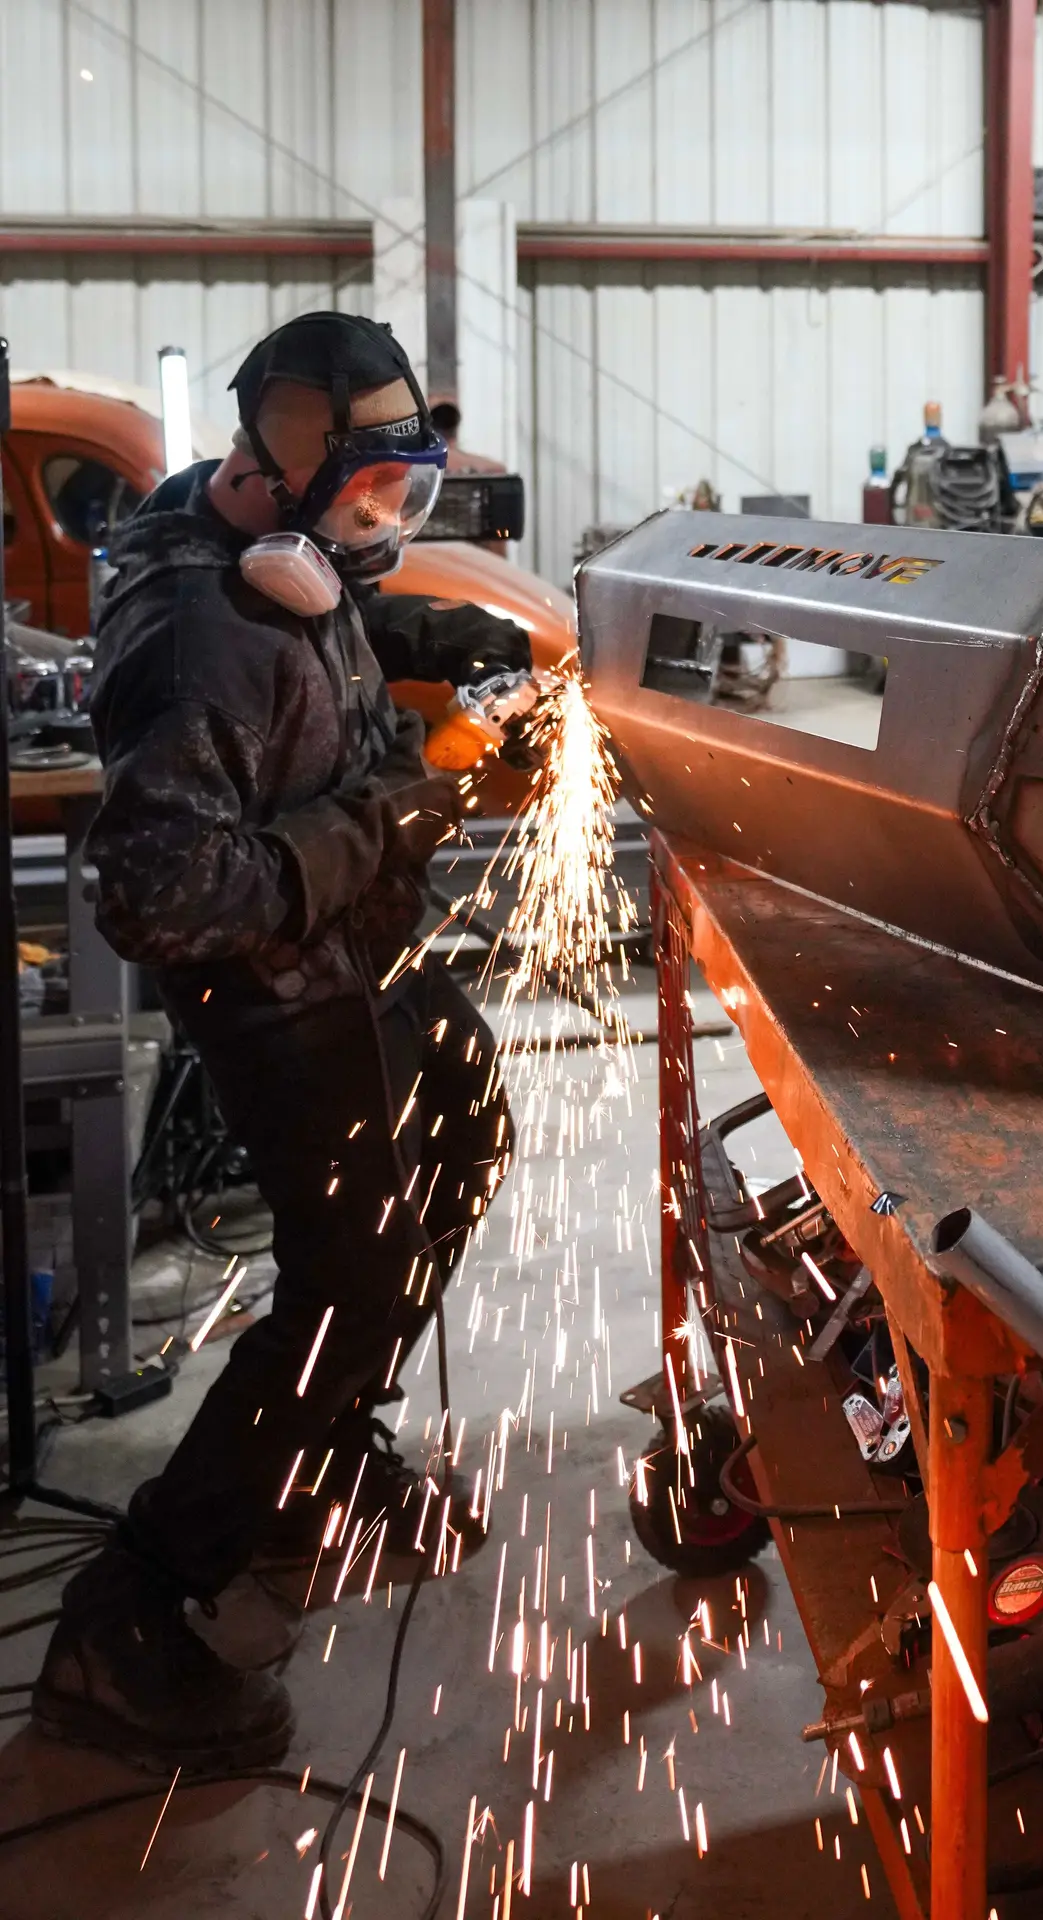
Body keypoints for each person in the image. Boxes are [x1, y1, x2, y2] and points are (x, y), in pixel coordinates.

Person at [32, 313, 530, 1771]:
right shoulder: (194, 633)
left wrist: (430, 635)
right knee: (349, 1276)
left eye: (403, 495)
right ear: (282, 467)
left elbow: (319, 623)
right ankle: (134, 1618)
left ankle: (318, 1455)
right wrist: (391, 815)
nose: (384, 526)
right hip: (277, 988)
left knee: (465, 1125)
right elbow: (162, 895)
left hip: (358, 954)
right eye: (369, 497)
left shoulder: (271, 541)